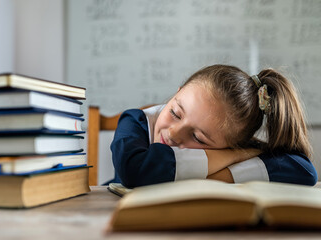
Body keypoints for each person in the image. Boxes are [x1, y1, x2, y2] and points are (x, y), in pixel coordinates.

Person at [110, 64, 318, 188]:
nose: (173, 133)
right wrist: (233, 157)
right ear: (177, 92)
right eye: (175, 112)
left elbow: (304, 171)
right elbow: (133, 171)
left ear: (231, 145)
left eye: (198, 138)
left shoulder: (233, 138)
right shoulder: (135, 121)